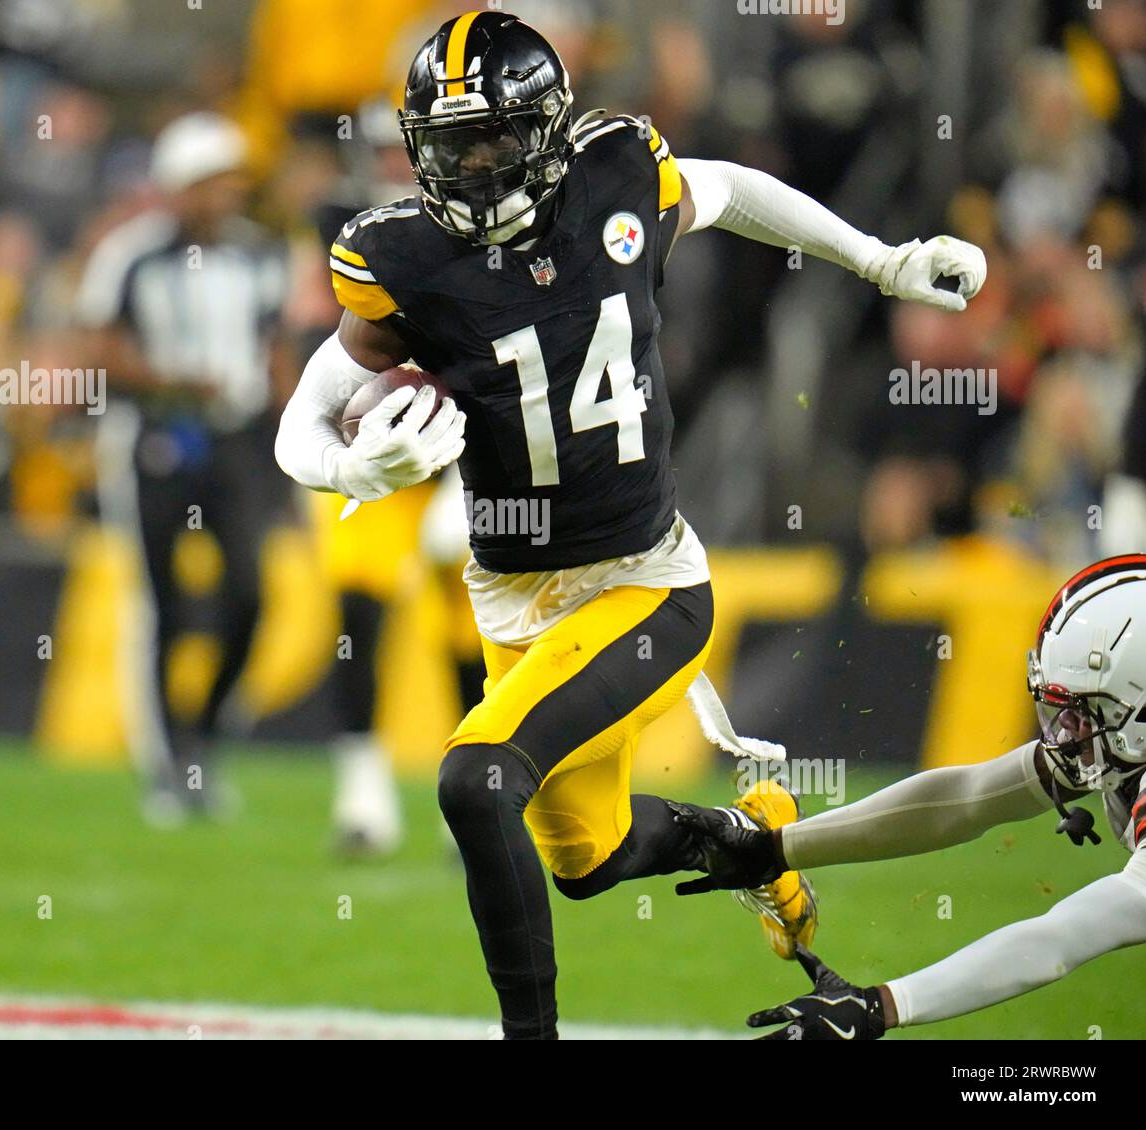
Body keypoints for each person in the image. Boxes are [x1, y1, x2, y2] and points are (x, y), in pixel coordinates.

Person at [275, 10, 986, 1039]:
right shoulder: (404, 258)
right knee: (588, 859)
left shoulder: (615, 172)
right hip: (512, 589)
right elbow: (299, 422)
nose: (470, 170)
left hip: (643, 579)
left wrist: (881, 262)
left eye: (491, 141)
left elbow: (735, 191)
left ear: (549, 131)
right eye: (448, 145)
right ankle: (751, 841)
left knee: (476, 777)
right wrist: (353, 465)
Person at [699, 555, 1146, 1040]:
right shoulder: (1123, 741)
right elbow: (967, 800)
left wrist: (880, 1007)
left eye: (1084, 711)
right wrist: (776, 848)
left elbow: (1062, 939)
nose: (1067, 729)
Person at [76, 112, 291, 822]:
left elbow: (277, 352)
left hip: (233, 441)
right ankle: (169, 762)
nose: (227, 194)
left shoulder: (259, 254)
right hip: (157, 438)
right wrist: (173, 381)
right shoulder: (131, 254)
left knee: (250, 594)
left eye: (233, 180)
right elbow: (99, 349)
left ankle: (203, 732)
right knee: (162, 602)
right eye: (213, 181)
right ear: (178, 186)